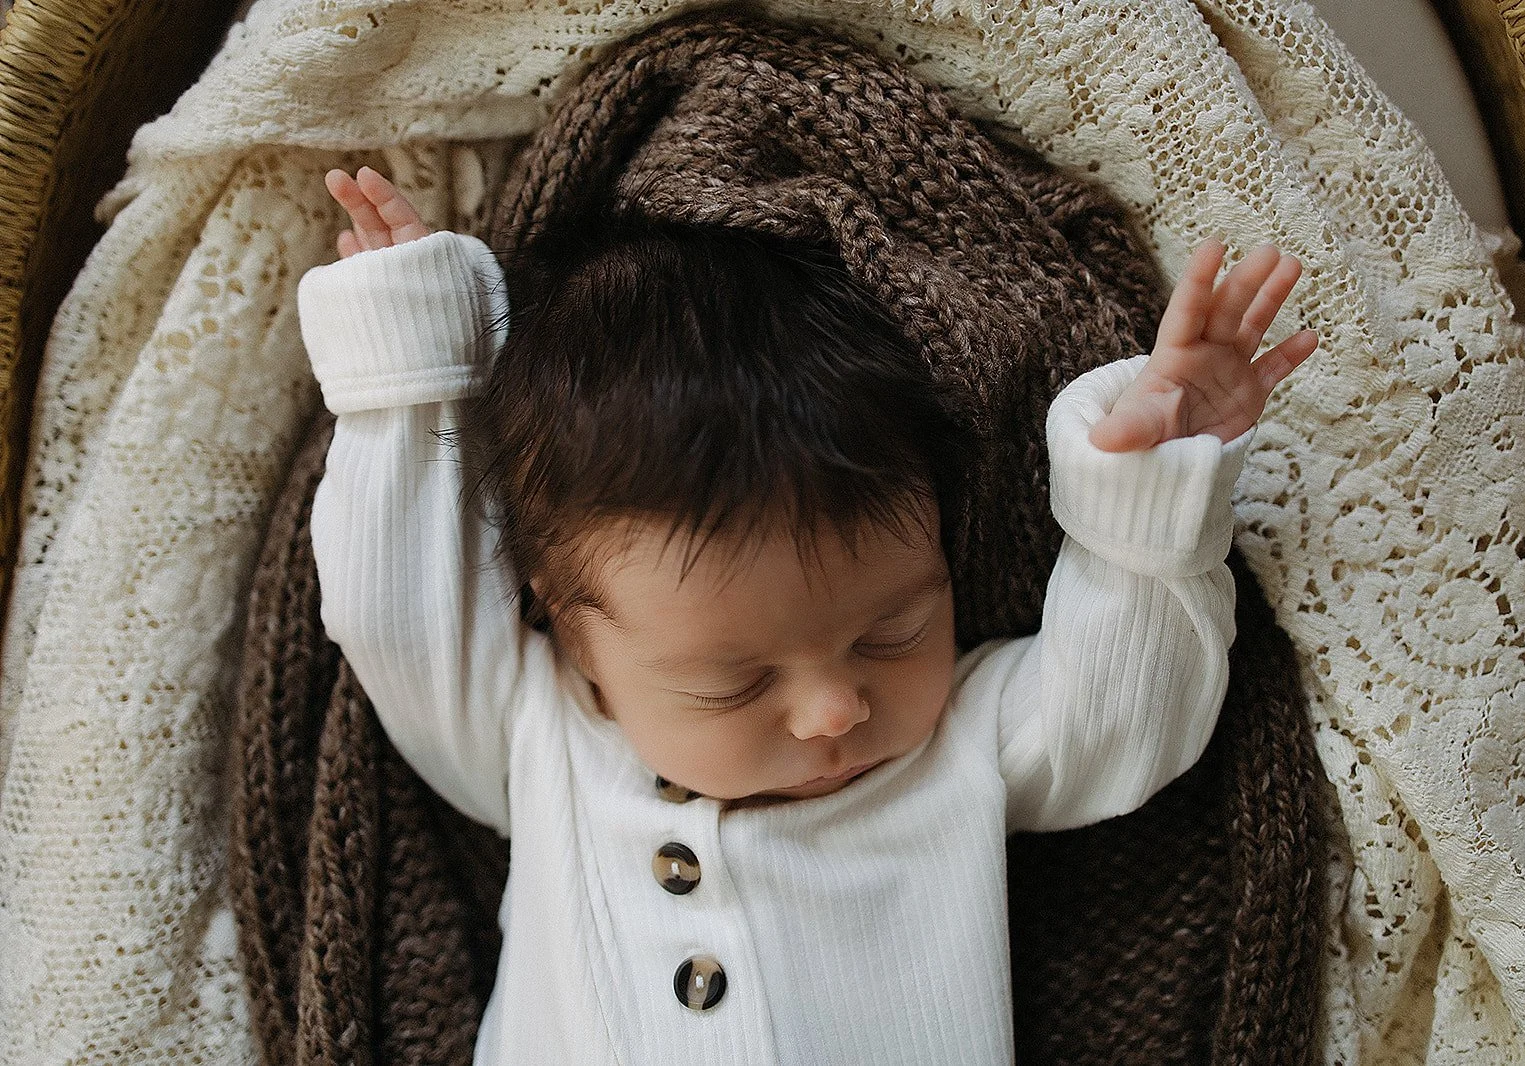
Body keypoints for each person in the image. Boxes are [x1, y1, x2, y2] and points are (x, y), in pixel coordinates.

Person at [299, 164, 1318, 1064]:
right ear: (576, 634)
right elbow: (399, 615)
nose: (834, 708)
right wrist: (409, 373)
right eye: (729, 682)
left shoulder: (959, 744)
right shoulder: (539, 737)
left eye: (892, 633)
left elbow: (1127, 718)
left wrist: (1141, 496)